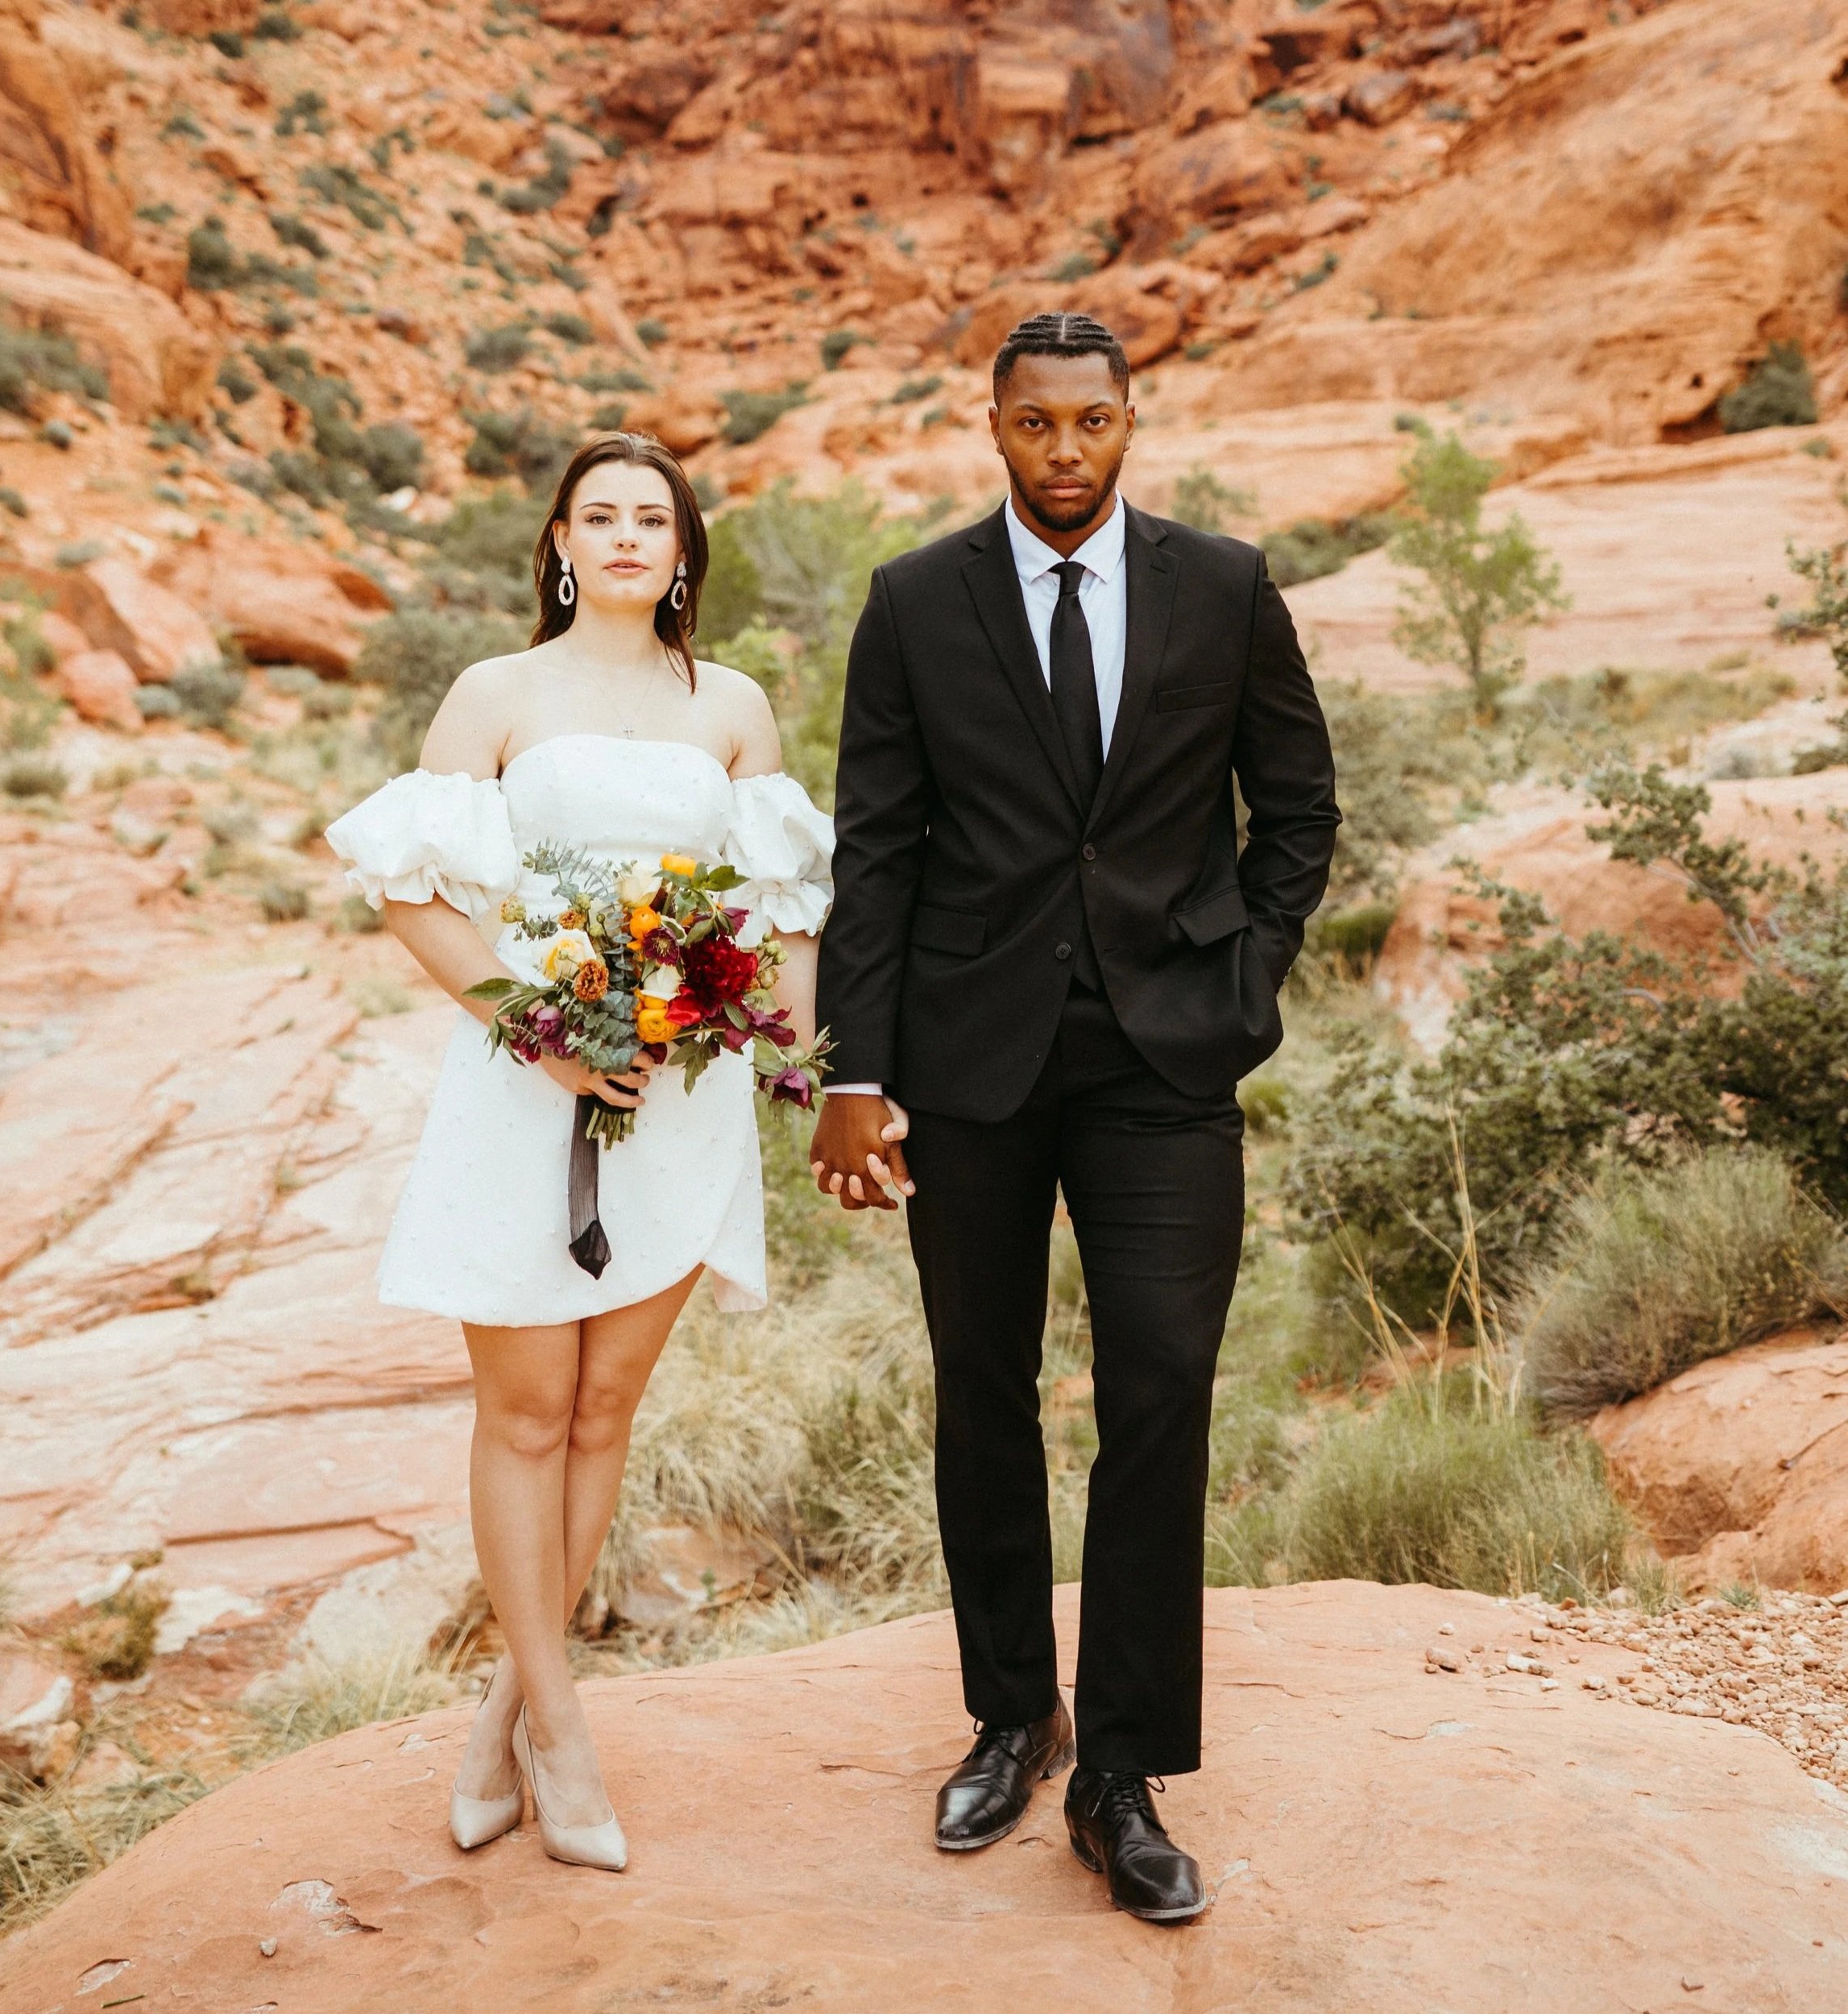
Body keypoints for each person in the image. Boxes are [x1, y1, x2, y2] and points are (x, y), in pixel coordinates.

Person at [810, 312, 1338, 1922]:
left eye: (1087, 421)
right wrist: (849, 1069)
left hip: (1162, 1059)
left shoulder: (1226, 586)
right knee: (980, 1386)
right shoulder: (912, 601)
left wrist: (1238, 977)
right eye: (1032, 421)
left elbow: (1297, 804)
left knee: (1160, 1388)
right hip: (967, 1061)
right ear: (990, 422)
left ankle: (1119, 1768)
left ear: (1129, 420)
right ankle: (1004, 1714)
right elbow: (877, 846)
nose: (1060, 449)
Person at [325, 433, 832, 1874]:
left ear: (685, 552)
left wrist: (779, 1048)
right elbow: (414, 893)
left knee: (607, 1411)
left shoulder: (730, 706)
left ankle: (505, 1719)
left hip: (679, 1094)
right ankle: (568, 1736)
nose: (624, 538)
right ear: (558, 539)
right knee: (526, 1417)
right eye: (597, 515)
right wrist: (536, 1026)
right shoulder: (496, 693)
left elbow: (781, 907)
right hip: (521, 1084)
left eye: (650, 519)